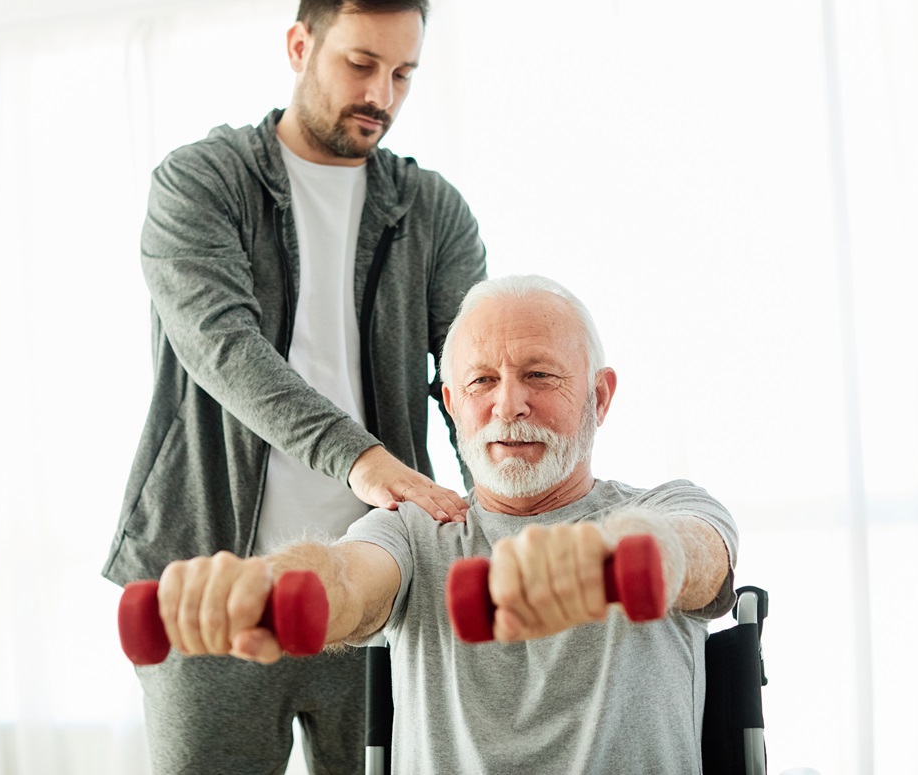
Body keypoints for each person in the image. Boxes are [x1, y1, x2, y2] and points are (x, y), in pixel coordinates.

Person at [102, 0, 487, 775]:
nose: (381, 96)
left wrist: (500, 516)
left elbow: (473, 378)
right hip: (213, 579)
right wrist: (361, 456)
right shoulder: (200, 183)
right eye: (360, 64)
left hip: (382, 576)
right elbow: (223, 347)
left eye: (403, 74)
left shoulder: (434, 211)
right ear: (298, 45)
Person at [155, 274, 739, 775]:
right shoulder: (413, 532)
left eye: (539, 375)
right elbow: (347, 580)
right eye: (482, 381)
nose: (509, 405)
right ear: (452, 404)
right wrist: (276, 586)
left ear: (600, 397)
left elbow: (695, 556)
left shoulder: (670, 507)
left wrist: (619, 561)